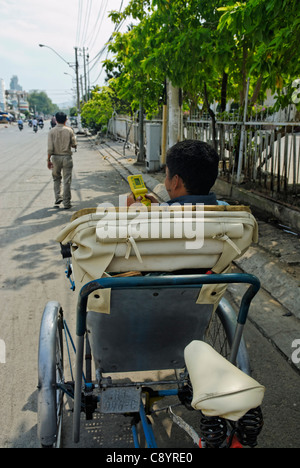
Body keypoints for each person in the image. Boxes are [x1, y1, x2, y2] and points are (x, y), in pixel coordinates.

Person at [127, 139, 227, 207]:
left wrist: (131, 216)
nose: (165, 181)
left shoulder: (154, 224)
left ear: (175, 181)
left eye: (166, 175)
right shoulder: (226, 208)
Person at [47, 112, 77, 209]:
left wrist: (48, 160)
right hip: (67, 157)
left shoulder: (51, 131)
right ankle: (67, 203)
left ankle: (57, 198)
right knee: (67, 180)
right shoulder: (69, 130)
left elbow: (50, 148)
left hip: (55, 158)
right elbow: (74, 144)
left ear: (56, 120)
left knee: (56, 178)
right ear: (66, 120)